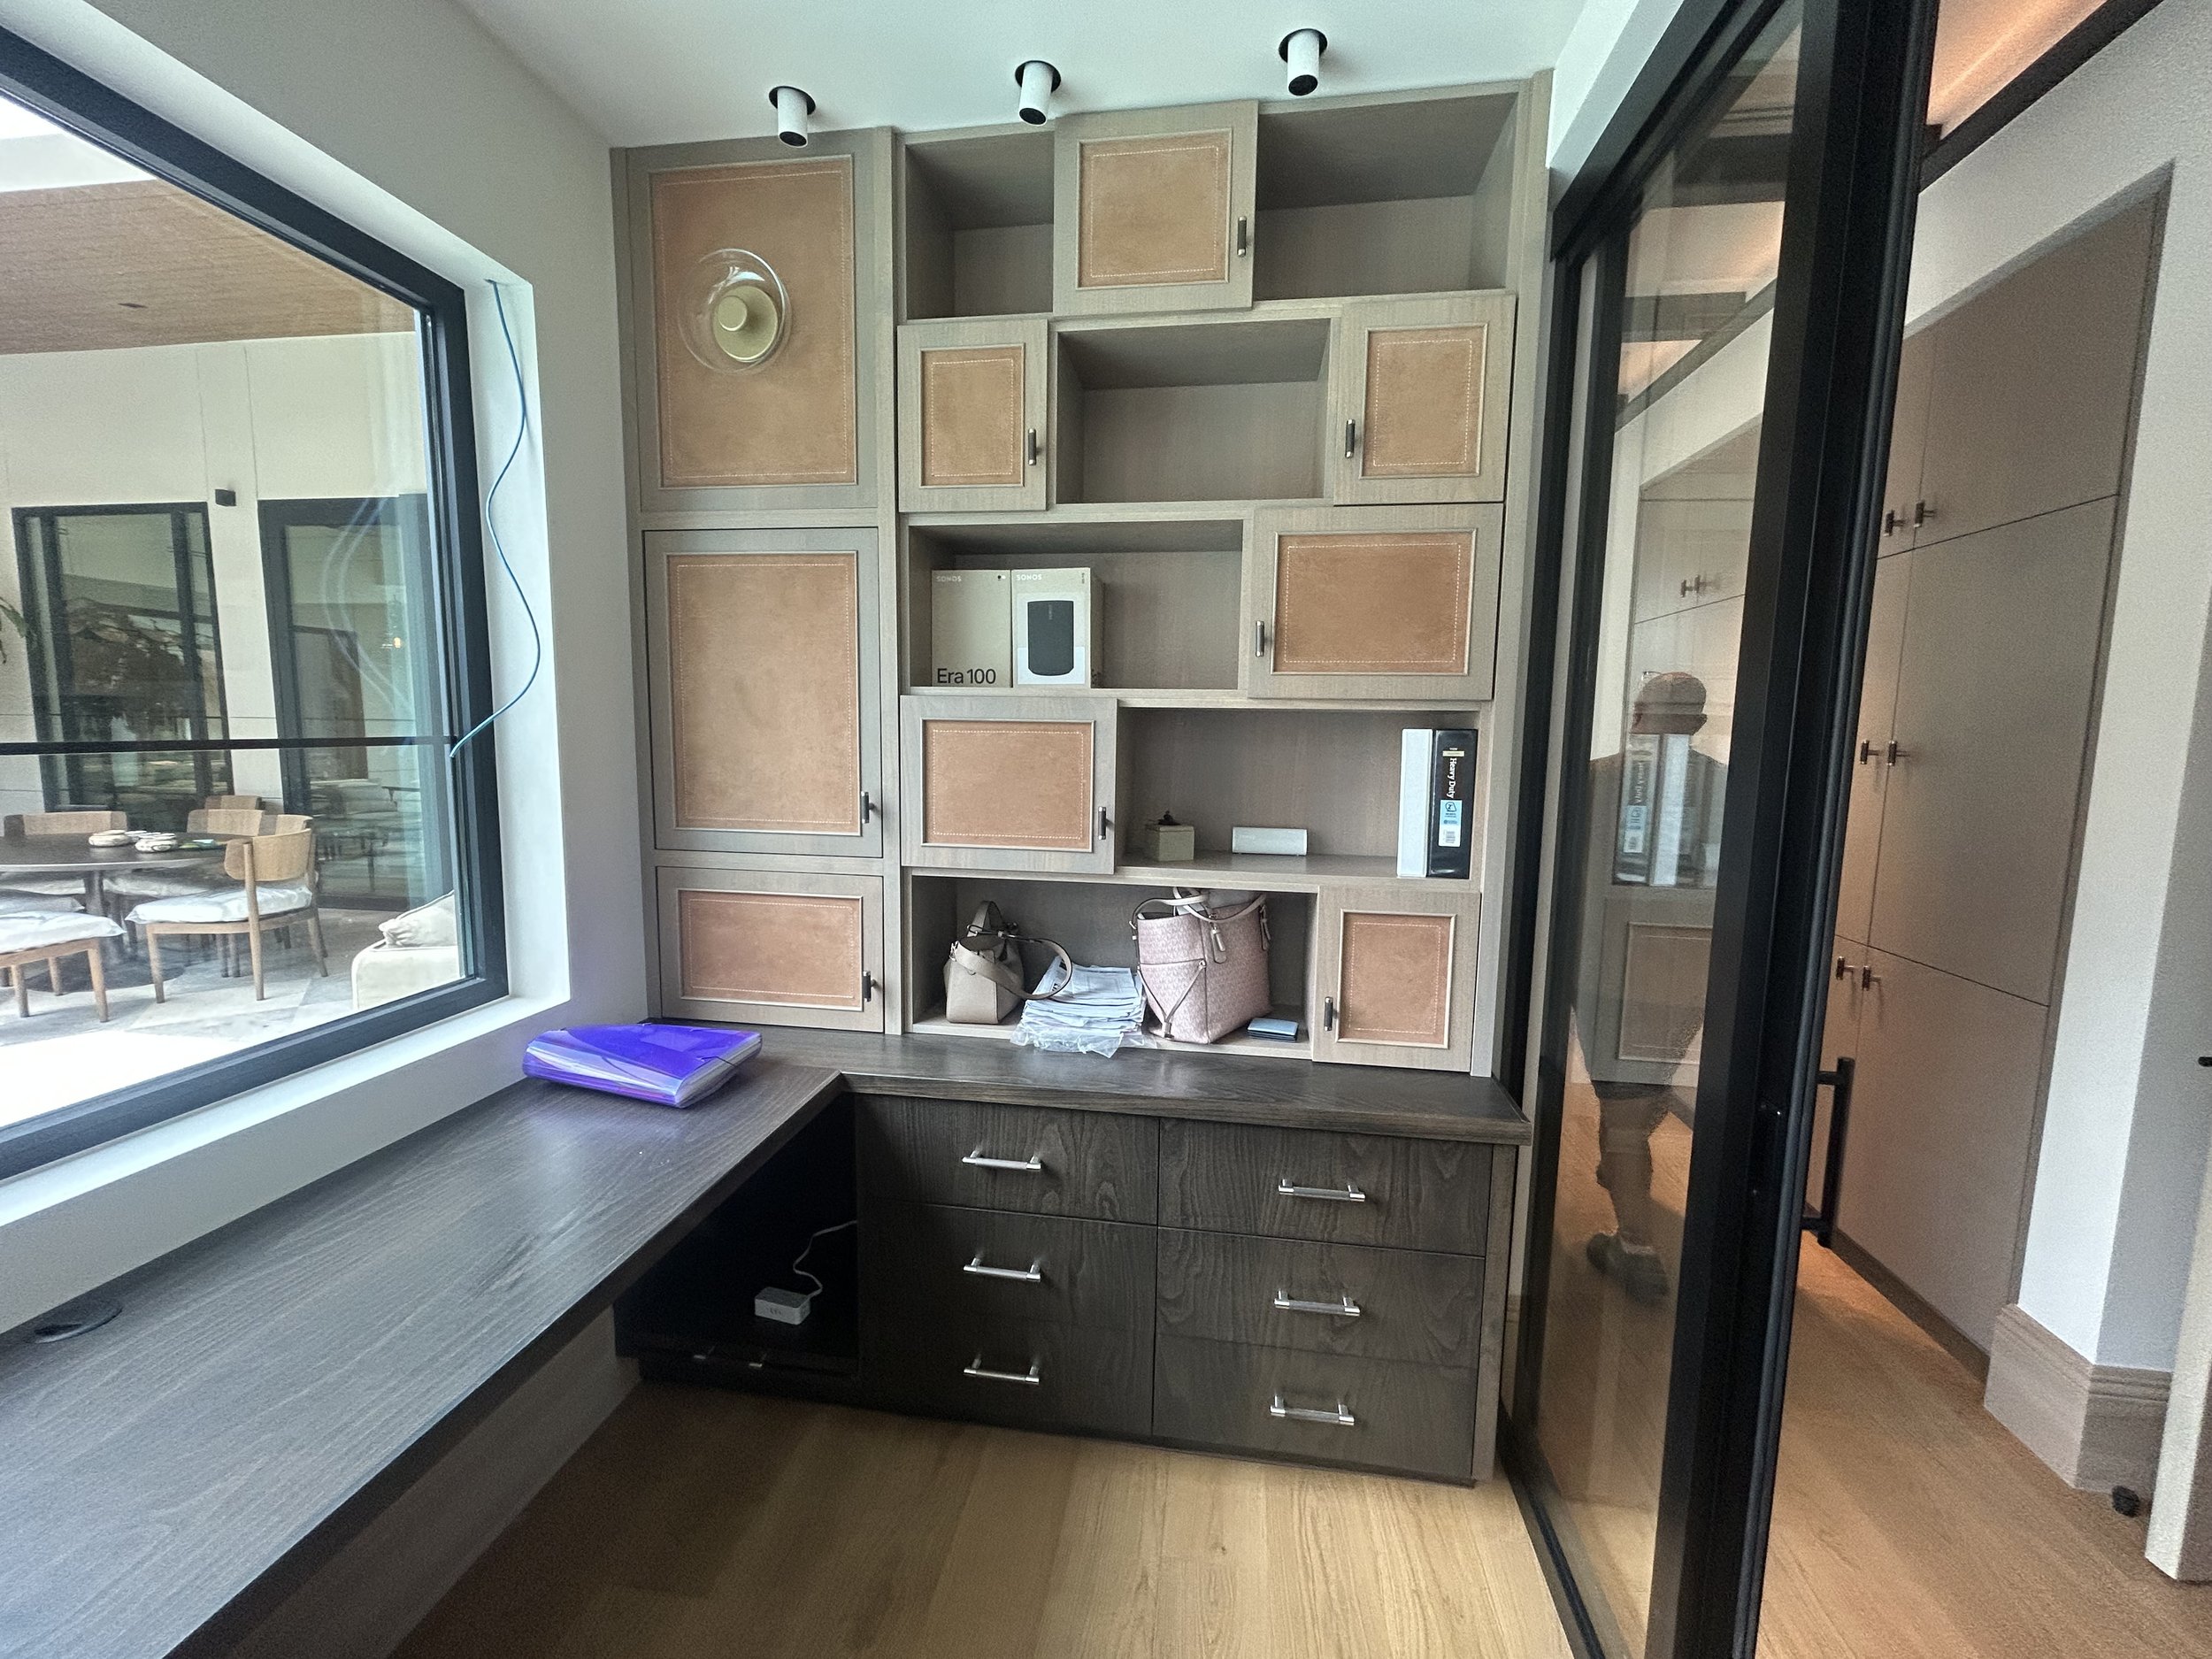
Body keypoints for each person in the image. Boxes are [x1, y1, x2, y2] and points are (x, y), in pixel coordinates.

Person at [1574, 671, 1726, 1306]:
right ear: (1696, 723)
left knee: (1626, 1108)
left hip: (1612, 969)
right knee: (1643, 1088)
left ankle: (1636, 1243)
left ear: (1636, 714)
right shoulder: (1726, 783)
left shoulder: (1597, 778)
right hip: (1692, 972)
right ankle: (1624, 1163)